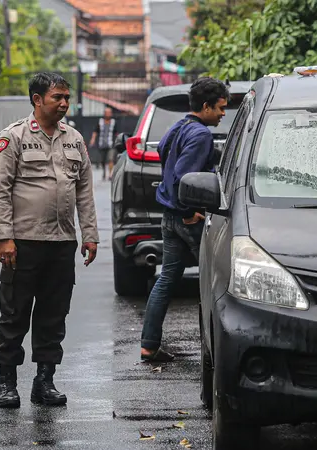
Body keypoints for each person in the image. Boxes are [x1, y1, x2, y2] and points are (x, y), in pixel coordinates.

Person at [0, 72, 99, 408]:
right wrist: (4, 238)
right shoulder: (13, 138)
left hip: (62, 242)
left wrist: (90, 235)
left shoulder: (75, 140)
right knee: (15, 314)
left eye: (67, 98)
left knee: (54, 314)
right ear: (37, 99)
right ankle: (7, 382)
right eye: (57, 98)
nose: (64, 104)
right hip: (23, 242)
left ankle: (45, 381)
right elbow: (2, 192)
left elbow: (84, 192)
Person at [139, 77, 229, 362]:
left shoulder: (178, 126)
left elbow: (163, 151)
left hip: (168, 215)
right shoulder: (201, 134)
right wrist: (190, 211)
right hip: (187, 218)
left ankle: (149, 344)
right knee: (219, 281)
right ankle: (218, 350)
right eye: (221, 108)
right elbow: (183, 175)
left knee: (166, 279)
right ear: (206, 106)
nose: (223, 114)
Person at [89, 106, 117, 180]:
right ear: (104, 113)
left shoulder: (114, 122)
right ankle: (104, 172)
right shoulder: (100, 122)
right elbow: (95, 131)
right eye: (107, 112)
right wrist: (93, 139)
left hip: (111, 144)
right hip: (102, 144)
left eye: (109, 112)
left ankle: (110, 174)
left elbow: (116, 133)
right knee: (103, 160)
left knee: (111, 159)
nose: (108, 114)